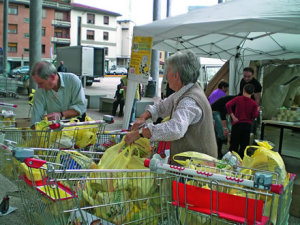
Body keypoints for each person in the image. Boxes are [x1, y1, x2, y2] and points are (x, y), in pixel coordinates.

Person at [124, 50, 217, 164]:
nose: (166, 75)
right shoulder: (183, 92)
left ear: (176, 75)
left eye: (167, 71)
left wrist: (140, 133)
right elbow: (162, 106)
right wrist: (143, 117)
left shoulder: (189, 100)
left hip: (197, 170)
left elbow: (175, 129)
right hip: (189, 167)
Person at [30, 61, 86, 128]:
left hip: (77, 126)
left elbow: (81, 107)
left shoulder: (73, 80)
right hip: (55, 129)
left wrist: (60, 115)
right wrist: (35, 130)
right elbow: (36, 117)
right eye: (37, 83)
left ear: (52, 77)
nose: (39, 87)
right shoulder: (40, 90)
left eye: (41, 83)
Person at [226, 84, 260, 158]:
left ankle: (230, 161)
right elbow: (254, 115)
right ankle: (242, 162)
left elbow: (228, 105)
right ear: (253, 93)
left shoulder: (238, 99)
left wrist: (233, 116)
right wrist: (257, 110)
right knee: (244, 145)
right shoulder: (254, 103)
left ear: (243, 90)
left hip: (237, 124)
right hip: (247, 125)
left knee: (234, 144)